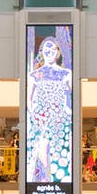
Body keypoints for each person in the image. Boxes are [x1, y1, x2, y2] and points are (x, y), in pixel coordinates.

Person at [25, 34, 73, 184]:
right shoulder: (33, 75)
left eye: (53, 48)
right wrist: (34, 115)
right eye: (46, 48)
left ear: (58, 52)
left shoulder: (66, 74)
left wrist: (67, 111)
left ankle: (57, 179)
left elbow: (72, 96)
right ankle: (43, 177)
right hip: (40, 118)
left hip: (60, 119)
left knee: (59, 152)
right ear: (41, 51)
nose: (49, 51)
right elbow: (29, 100)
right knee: (40, 148)